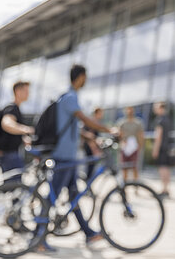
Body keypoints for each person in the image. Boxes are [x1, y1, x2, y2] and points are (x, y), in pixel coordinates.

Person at [38, 65, 112, 252]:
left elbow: (76, 128)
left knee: (73, 196)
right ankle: (37, 239)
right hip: (64, 156)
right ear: (80, 77)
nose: (86, 80)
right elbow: (85, 120)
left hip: (68, 156)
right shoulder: (70, 97)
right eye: (85, 77)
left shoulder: (70, 97)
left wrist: (92, 137)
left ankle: (88, 233)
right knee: (51, 198)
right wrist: (109, 129)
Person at [0, 81, 34, 180]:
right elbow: (7, 124)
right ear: (18, 91)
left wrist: (23, 139)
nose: (28, 94)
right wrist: (27, 129)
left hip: (9, 152)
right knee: (15, 185)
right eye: (26, 91)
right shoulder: (12, 108)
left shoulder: (15, 108)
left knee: (11, 186)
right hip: (10, 153)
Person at [116, 106, 145, 182]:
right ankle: (124, 185)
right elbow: (119, 134)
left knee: (134, 167)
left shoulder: (138, 123)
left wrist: (140, 146)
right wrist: (122, 142)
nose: (129, 112)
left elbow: (141, 135)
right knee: (124, 167)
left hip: (134, 147)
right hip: (124, 147)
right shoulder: (121, 122)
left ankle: (136, 185)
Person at [152, 102, 172, 197]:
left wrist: (155, 150)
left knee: (162, 168)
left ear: (161, 108)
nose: (154, 109)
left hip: (161, 148)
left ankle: (164, 190)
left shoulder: (160, 120)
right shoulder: (167, 119)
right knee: (166, 169)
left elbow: (158, 137)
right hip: (167, 147)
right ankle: (166, 189)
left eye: (156, 107)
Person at [81, 107, 104, 180]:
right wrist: (94, 149)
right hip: (89, 146)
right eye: (100, 113)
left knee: (91, 165)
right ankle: (88, 181)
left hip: (92, 146)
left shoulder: (95, 122)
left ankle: (88, 181)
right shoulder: (92, 122)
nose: (101, 115)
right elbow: (90, 137)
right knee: (90, 165)